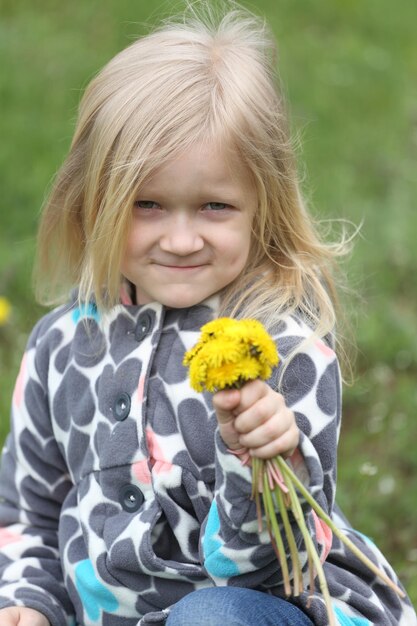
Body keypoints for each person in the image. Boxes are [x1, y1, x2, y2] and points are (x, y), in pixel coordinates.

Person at [0, 3, 415, 626]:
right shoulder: (63, 347)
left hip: (265, 607)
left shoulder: (284, 352)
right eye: (148, 205)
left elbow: (266, 572)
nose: (182, 238)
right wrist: (27, 603)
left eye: (215, 206)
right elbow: (26, 513)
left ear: (262, 207)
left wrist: (258, 462)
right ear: (94, 200)